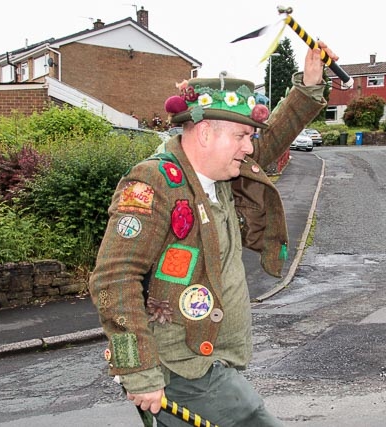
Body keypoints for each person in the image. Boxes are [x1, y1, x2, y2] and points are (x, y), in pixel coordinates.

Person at [88, 40, 335, 426]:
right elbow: (113, 277)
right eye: (240, 136)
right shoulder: (155, 182)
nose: (248, 146)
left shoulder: (217, 177)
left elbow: (271, 140)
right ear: (204, 134)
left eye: (248, 137)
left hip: (206, 361)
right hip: (183, 369)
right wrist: (137, 371)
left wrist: (308, 85)